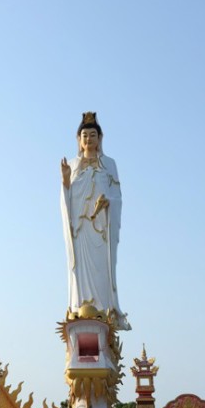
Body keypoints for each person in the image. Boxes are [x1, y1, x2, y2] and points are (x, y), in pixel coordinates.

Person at [59, 111, 129, 330]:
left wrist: (107, 200)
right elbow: (65, 200)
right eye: (85, 136)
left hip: (100, 229)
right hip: (80, 230)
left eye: (92, 135)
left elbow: (117, 196)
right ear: (79, 140)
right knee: (78, 271)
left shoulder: (109, 165)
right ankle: (79, 309)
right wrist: (65, 180)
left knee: (100, 271)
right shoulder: (72, 165)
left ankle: (103, 312)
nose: (88, 139)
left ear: (100, 139)